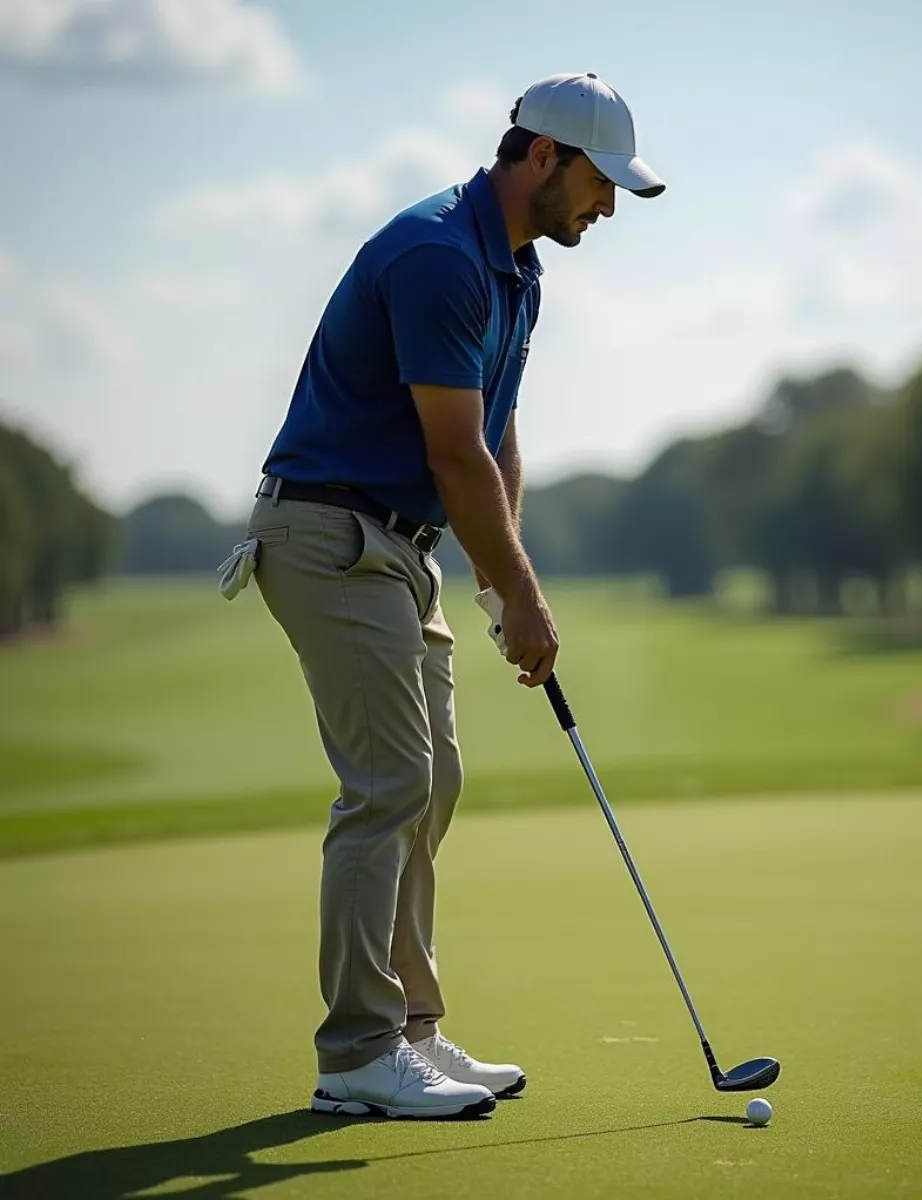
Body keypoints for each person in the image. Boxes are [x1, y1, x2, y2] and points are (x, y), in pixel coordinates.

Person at [230, 73, 664, 1120]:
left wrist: (497, 574)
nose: (607, 207)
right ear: (542, 158)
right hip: (328, 534)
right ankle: (358, 1055)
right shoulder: (437, 256)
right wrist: (523, 594)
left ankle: (412, 1035)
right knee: (387, 787)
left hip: (396, 546)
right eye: (601, 183)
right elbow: (451, 453)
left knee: (436, 781)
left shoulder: (516, 271)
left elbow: (495, 431)